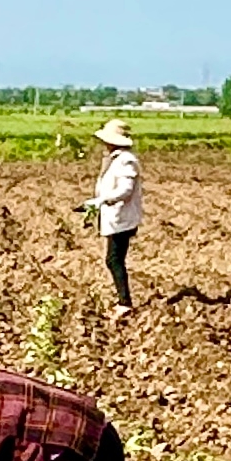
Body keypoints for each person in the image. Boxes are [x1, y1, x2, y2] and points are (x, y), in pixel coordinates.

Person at [79, 121, 142, 316]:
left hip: (121, 218)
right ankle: (123, 301)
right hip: (116, 217)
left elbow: (125, 190)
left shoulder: (126, 160)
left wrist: (102, 201)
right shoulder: (116, 159)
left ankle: (125, 303)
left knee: (114, 260)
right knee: (114, 259)